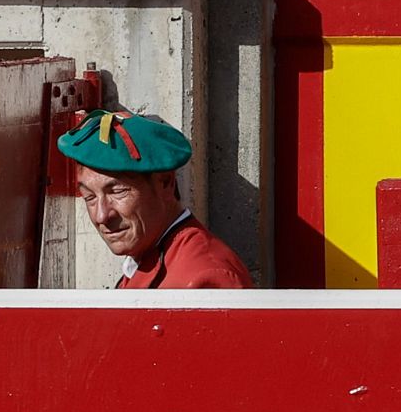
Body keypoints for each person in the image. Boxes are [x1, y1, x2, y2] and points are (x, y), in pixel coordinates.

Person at [58, 110, 255, 289]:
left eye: (118, 192)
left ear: (165, 183)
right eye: (89, 197)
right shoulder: (151, 255)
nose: (101, 216)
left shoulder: (204, 277)